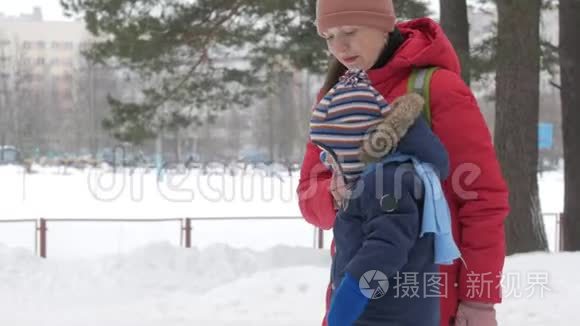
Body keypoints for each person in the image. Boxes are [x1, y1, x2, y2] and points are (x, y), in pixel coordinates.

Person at [297, 1, 510, 325]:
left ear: (384, 25)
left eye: (350, 31)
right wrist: (332, 194)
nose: (339, 46)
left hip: (428, 302)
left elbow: (482, 200)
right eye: (329, 36)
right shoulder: (331, 101)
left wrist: (480, 302)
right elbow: (308, 194)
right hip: (353, 299)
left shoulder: (437, 89)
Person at [310, 68, 461, 326]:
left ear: (353, 149)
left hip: (387, 316)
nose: (329, 166)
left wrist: (351, 294)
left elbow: (386, 248)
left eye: (332, 157)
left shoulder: (389, 181)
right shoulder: (379, 179)